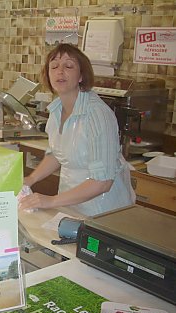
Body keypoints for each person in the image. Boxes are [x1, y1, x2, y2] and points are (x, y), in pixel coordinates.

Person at [18, 44, 135, 217]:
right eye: (54, 66)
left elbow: (102, 182)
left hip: (104, 212)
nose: (60, 71)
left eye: (69, 66)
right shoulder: (56, 111)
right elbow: (57, 154)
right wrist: (30, 179)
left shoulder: (97, 115)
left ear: (81, 76)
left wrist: (50, 201)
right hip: (71, 205)